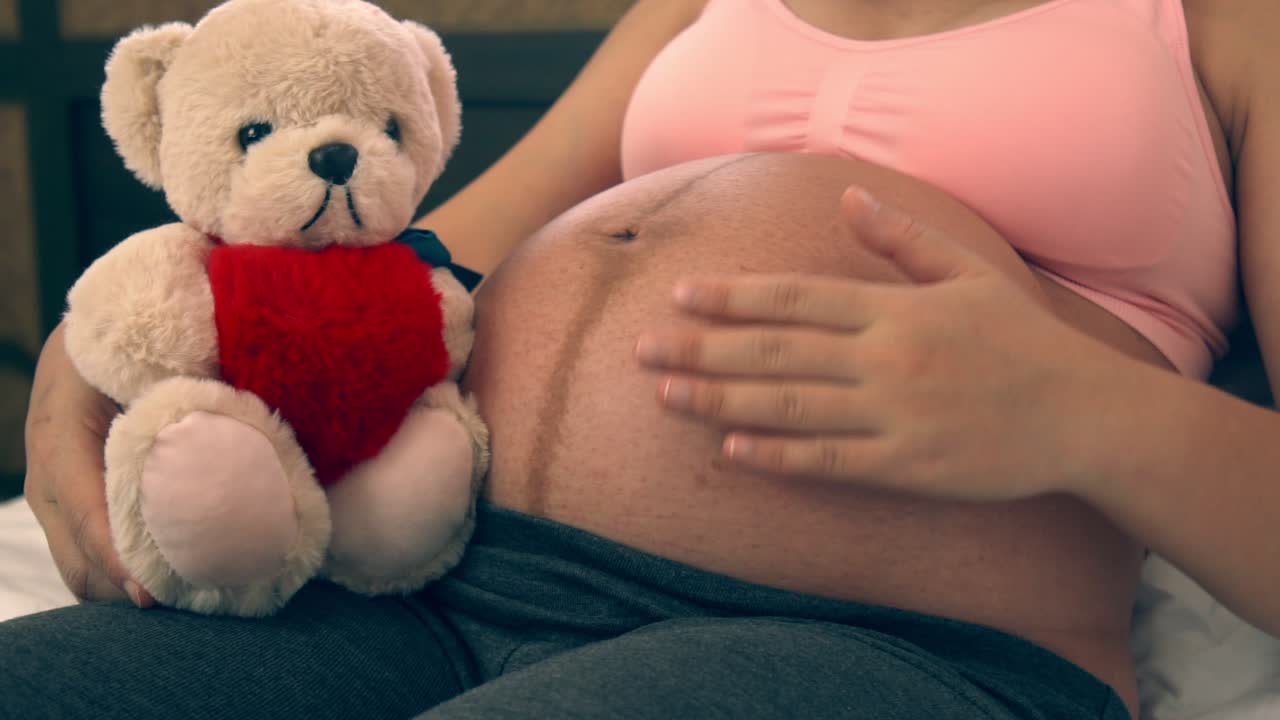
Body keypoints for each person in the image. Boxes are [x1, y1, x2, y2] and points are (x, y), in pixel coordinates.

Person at [11, 0, 1280, 718]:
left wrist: (1087, 412)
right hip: (444, 579)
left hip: (885, 641)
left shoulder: (1221, 23)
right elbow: (434, 254)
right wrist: (111, 337)